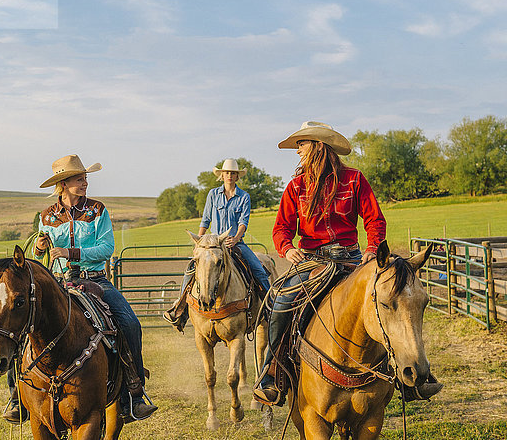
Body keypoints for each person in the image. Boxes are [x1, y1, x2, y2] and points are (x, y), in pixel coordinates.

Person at [252, 121, 443, 404]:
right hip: (312, 262)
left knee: (394, 299)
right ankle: (272, 374)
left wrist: (372, 249)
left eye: (301, 145)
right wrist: (286, 248)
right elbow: (281, 228)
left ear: (318, 146)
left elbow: (374, 219)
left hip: (353, 258)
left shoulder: (354, 179)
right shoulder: (295, 186)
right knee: (281, 303)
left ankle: (411, 375)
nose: (298, 151)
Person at [3, 154, 157, 423]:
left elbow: (107, 248)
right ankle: (18, 396)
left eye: (85, 178)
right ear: (63, 183)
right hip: (57, 283)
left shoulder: (97, 210)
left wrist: (71, 252)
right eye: (79, 179)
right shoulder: (46, 217)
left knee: (130, 323)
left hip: (95, 280)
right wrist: (40, 251)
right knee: (23, 323)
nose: (85, 183)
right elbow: (41, 262)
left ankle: (133, 392)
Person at [163, 158, 270, 330]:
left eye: (233, 173)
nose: (230, 175)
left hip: (235, 243)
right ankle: (180, 309)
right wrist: (198, 242)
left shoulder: (244, 197)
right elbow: (205, 220)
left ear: (237, 176)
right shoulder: (213, 194)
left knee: (258, 270)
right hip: (213, 244)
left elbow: (243, 222)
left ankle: (270, 307)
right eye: (227, 172)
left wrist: (236, 238)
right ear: (222, 175)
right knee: (191, 269)